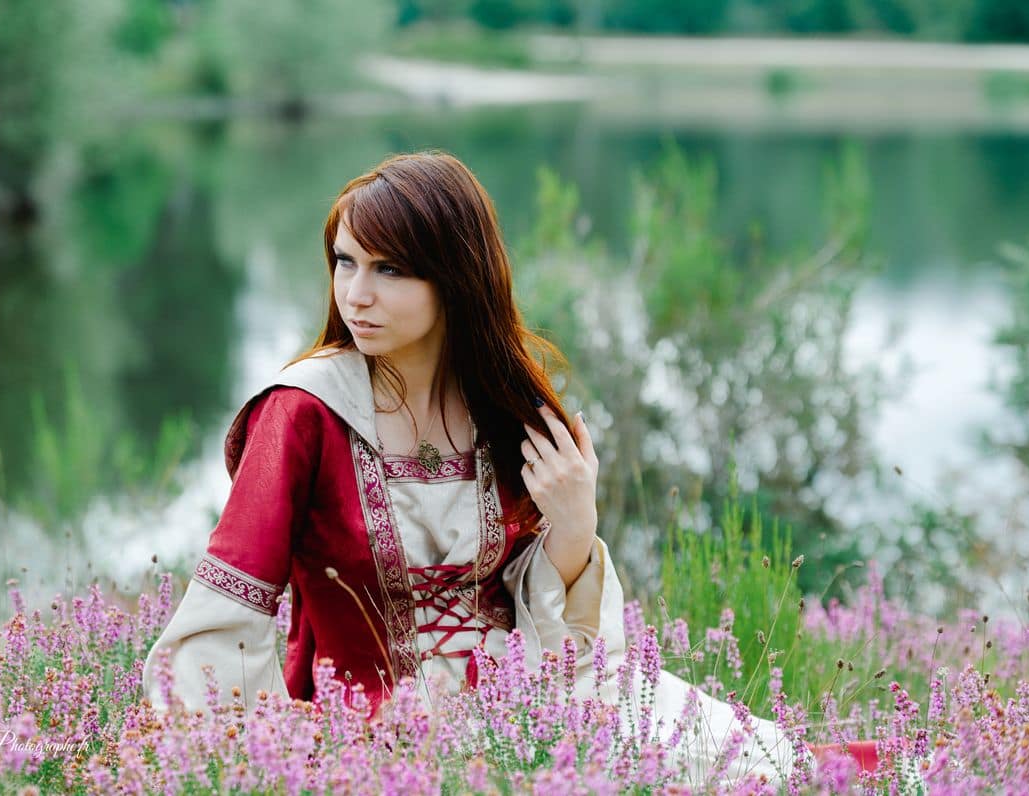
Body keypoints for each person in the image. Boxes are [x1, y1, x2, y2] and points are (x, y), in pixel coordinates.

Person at [142, 151, 810, 782]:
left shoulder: (501, 403)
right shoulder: (302, 413)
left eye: (390, 270)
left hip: (525, 705)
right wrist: (245, 758)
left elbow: (535, 605)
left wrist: (577, 521)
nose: (357, 295)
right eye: (345, 263)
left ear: (456, 276)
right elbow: (227, 608)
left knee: (762, 762)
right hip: (370, 729)